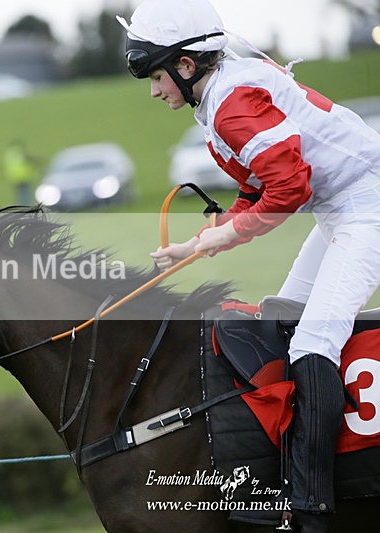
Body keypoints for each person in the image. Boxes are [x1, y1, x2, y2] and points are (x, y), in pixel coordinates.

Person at [118, 0, 380, 530]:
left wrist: (220, 237)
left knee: (311, 344)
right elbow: (256, 192)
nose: (154, 91)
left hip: (366, 206)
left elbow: (289, 189)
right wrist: (200, 243)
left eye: (156, 77)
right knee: (282, 315)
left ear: (186, 65)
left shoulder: (232, 103)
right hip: (342, 207)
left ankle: (310, 506)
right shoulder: (221, 93)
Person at [3, 139, 40, 206]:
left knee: (20, 196)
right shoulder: (19, 154)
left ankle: (19, 207)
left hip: (15, 179)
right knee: (25, 197)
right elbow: (29, 159)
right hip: (24, 179)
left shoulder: (9, 154)